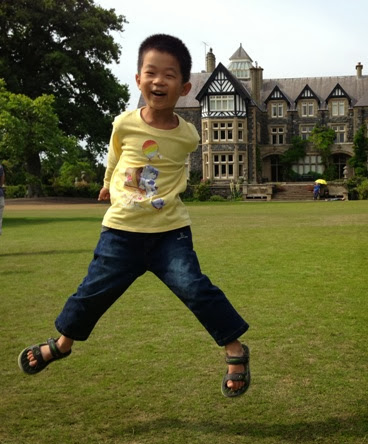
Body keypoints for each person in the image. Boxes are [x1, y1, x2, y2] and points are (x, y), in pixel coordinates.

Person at [18, 34, 250, 397]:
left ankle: (235, 350)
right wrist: (106, 183)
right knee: (91, 293)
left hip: (169, 233)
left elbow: (178, 166)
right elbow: (114, 157)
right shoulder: (124, 124)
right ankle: (61, 344)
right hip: (121, 232)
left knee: (195, 288)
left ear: (185, 88)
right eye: (151, 73)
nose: (159, 81)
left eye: (169, 75)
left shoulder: (189, 135)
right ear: (139, 79)